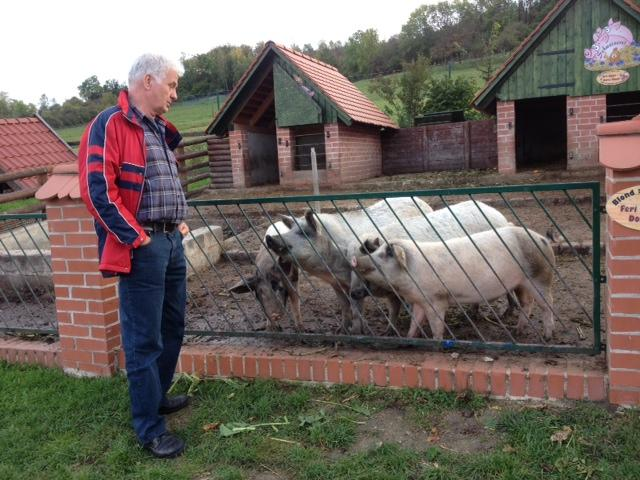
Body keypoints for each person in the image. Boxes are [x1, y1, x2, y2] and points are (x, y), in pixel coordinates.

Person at [78, 53, 190, 459]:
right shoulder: (109, 124)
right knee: (144, 340)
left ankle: (156, 397)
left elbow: (163, 181)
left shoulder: (158, 128)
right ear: (148, 81)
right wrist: (137, 237)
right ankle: (149, 428)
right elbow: (97, 190)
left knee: (173, 326)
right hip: (143, 247)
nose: (175, 94)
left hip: (171, 242)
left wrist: (178, 221)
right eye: (172, 85)